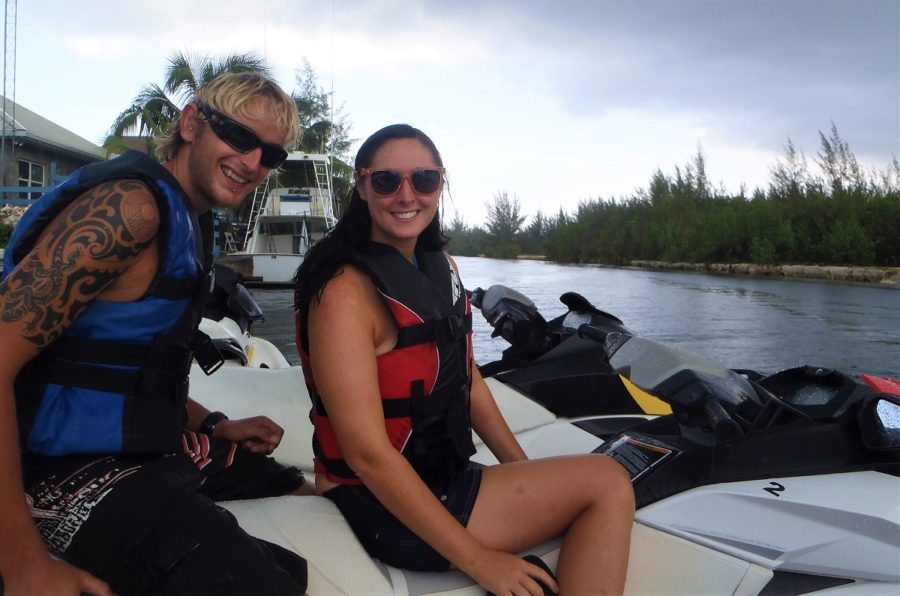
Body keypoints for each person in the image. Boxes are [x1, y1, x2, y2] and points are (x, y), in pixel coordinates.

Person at [0, 72, 313, 595]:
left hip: (135, 445)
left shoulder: (191, 220)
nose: (254, 163)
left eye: (271, 155)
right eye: (238, 137)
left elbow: (132, 367)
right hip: (51, 468)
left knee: (299, 496)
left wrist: (215, 423)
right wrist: (24, 563)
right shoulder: (131, 209)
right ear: (192, 123)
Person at [293, 124, 635, 595]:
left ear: (441, 183)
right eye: (387, 181)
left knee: (595, 477)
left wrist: (520, 468)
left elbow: (467, 379)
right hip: (375, 503)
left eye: (425, 180)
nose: (405, 194)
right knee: (608, 482)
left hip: (438, 476)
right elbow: (367, 455)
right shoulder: (342, 292)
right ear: (362, 185)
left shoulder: (441, 268)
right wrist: (481, 562)